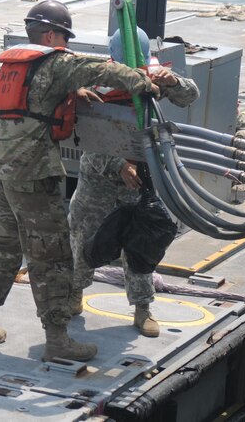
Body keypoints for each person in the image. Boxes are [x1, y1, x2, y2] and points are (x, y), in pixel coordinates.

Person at [0, 0, 159, 362]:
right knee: (51, 256)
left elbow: (37, 100)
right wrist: (143, 82)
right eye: (65, 38)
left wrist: (71, 93)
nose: (66, 45)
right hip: (34, 172)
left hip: (0, 168)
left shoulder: (16, 63)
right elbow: (106, 70)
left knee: (3, 249)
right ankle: (58, 340)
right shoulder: (58, 63)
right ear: (52, 34)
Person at [68, 27, 200, 338]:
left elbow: (190, 95)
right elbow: (89, 133)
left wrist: (174, 81)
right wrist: (118, 163)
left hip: (139, 177)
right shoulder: (95, 81)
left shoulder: (150, 79)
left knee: (140, 243)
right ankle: (73, 294)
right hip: (99, 177)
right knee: (82, 236)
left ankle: (142, 308)